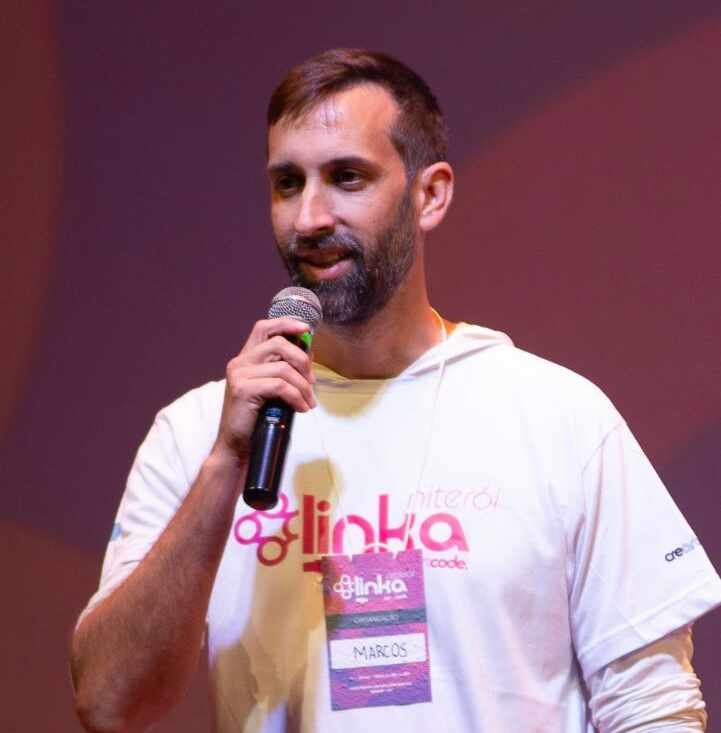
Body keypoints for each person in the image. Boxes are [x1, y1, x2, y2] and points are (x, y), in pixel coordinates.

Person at [71, 49, 721, 732]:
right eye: (287, 183)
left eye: (346, 177)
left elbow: (652, 706)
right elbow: (110, 705)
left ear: (429, 194)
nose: (308, 218)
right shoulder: (197, 433)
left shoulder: (557, 416)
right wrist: (225, 464)